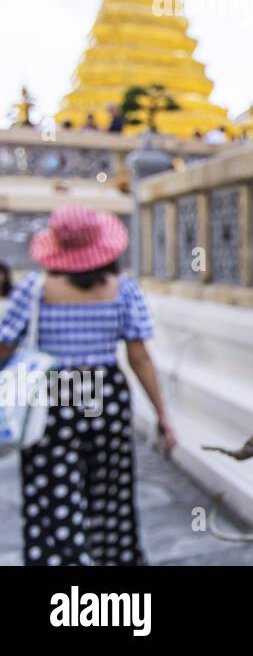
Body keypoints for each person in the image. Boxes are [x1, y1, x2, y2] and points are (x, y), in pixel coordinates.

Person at [0, 207, 177, 566]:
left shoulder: (34, 290)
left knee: (51, 489)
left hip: (53, 393)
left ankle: (60, 561)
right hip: (103, 394)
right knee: (109, 490)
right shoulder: (123, 290)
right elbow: (139, 356)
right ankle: (113, 558)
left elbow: (5, 344)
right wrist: (162, 414)